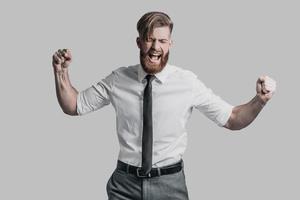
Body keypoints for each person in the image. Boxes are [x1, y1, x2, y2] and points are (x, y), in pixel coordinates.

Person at [52, 11, 276, 200]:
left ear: (170, 44)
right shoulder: (118, 79)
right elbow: (74, 105)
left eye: (162, 41)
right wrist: (61, 72)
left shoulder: (187, 82)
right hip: (124, 186)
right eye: (149, 39)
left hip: (170, 185)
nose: (155, 47)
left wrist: (260, 101)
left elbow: (233, 118)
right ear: (139, 42)